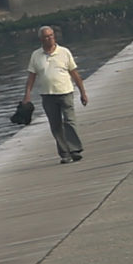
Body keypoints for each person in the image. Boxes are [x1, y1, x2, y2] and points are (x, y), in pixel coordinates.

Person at [22, 24, 88, 163]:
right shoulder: (36, 55)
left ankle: (74, 149)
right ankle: (65, 154)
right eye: (46, 37)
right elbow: (31, 78)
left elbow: (74, 74)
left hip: (66, 92)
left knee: (69, 121)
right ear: (41, 39)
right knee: (55, 125)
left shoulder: (64, 52)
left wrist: (83, 92)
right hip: (47, 95)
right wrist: (27, 95)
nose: (50, 38)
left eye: (51, 35)